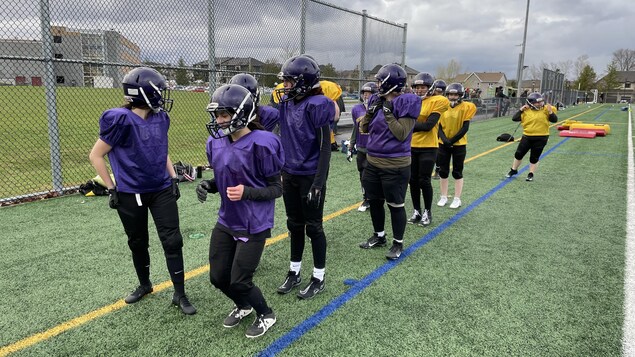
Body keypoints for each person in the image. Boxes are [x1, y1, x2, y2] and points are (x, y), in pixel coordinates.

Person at [88, 67, 196, 315]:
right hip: (130, 192)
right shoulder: (120, 119)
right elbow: (96, 155)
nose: (163, 95)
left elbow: (160, 150)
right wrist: (112, 188)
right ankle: (145, 284)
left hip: (160, 189)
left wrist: (172, 177)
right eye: (159, 91)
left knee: (173, 240)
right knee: (137, 241)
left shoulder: (160, 118)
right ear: (144, 93)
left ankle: (180, 293)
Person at [197, 84, 284, 338]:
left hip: (254, 221)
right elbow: (225, 179)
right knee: (217, 277)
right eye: (217, 115)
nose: (219, 121)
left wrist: (247, 192)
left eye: (224, 115)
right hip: (227, 218)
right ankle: (243, 305)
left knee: (239, 280)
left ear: (242, 112)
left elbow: (276, 189)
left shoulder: (264, 142)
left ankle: (266, 313)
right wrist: (208, 185)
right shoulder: (215, 142)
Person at [275, 55, 334, 299]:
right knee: (293, 224)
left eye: (288, 81)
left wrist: (319, 183)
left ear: (302, 81)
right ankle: (294, 271)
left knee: (315, 228)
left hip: (310, 175)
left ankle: (318, 276)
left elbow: (324, 147)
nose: (284, 86)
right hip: (290, 173)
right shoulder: (287, 104)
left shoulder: (318, 104)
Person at [358, 64, 422, 260]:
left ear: (389, 82)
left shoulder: (407, 101)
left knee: (395, 205)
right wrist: (371, 112)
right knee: (375, 201)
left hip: (395, 165)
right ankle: (379, 236)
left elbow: (402, 133)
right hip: (373, 162)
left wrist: (387, 112)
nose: (377, 85)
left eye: (379, 81)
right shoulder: (378, 101)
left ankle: (398, 243)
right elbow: (364, 129)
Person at [407, 75, 449, 227]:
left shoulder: (439, 100)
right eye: (417, 87)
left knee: (424, 180)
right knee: (412, 181)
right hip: (411, 146)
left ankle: (427, 211)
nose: (419, 90)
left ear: (430, 87)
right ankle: (416, 210)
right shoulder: (411, 100)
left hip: (429, 147)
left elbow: (428, 126)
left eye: (423, 87)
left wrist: (406, 125)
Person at [436, 83, 476, 209]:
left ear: (460, 95)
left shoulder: (467, 107)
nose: (452, 97)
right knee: (443, 171)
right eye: (450, 94)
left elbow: (465, 128)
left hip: (459, 144)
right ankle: (443, 196)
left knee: (457, 171)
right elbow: (439, 127)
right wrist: (444, 140)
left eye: (455, 94)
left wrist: (451, 141)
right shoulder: (442, 106)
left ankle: (457, 198)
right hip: (443, 143)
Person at [505, 92, 558, 181]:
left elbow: (554, 120)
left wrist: (550, 112)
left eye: (541, 102)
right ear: (531, 103)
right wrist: (520, 110)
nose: (540, 104)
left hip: (541, 137)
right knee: (518, 154)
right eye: (538, 102)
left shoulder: (546, 109)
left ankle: (531, 173)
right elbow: (514, 118)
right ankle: (513, 170)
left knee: (534, 157)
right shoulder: (525, 110)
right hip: (527, 136)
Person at [348, 81, 378, 212]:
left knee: (374, 175)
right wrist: (351, 144)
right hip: (361, 146)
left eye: (369, 93)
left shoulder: (380, 108)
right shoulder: (356, 109)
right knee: (363, 174)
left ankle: (376, 198)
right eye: (364, 93)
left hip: (376, 148)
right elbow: (356, 127)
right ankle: (366, 198)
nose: (366, 96)